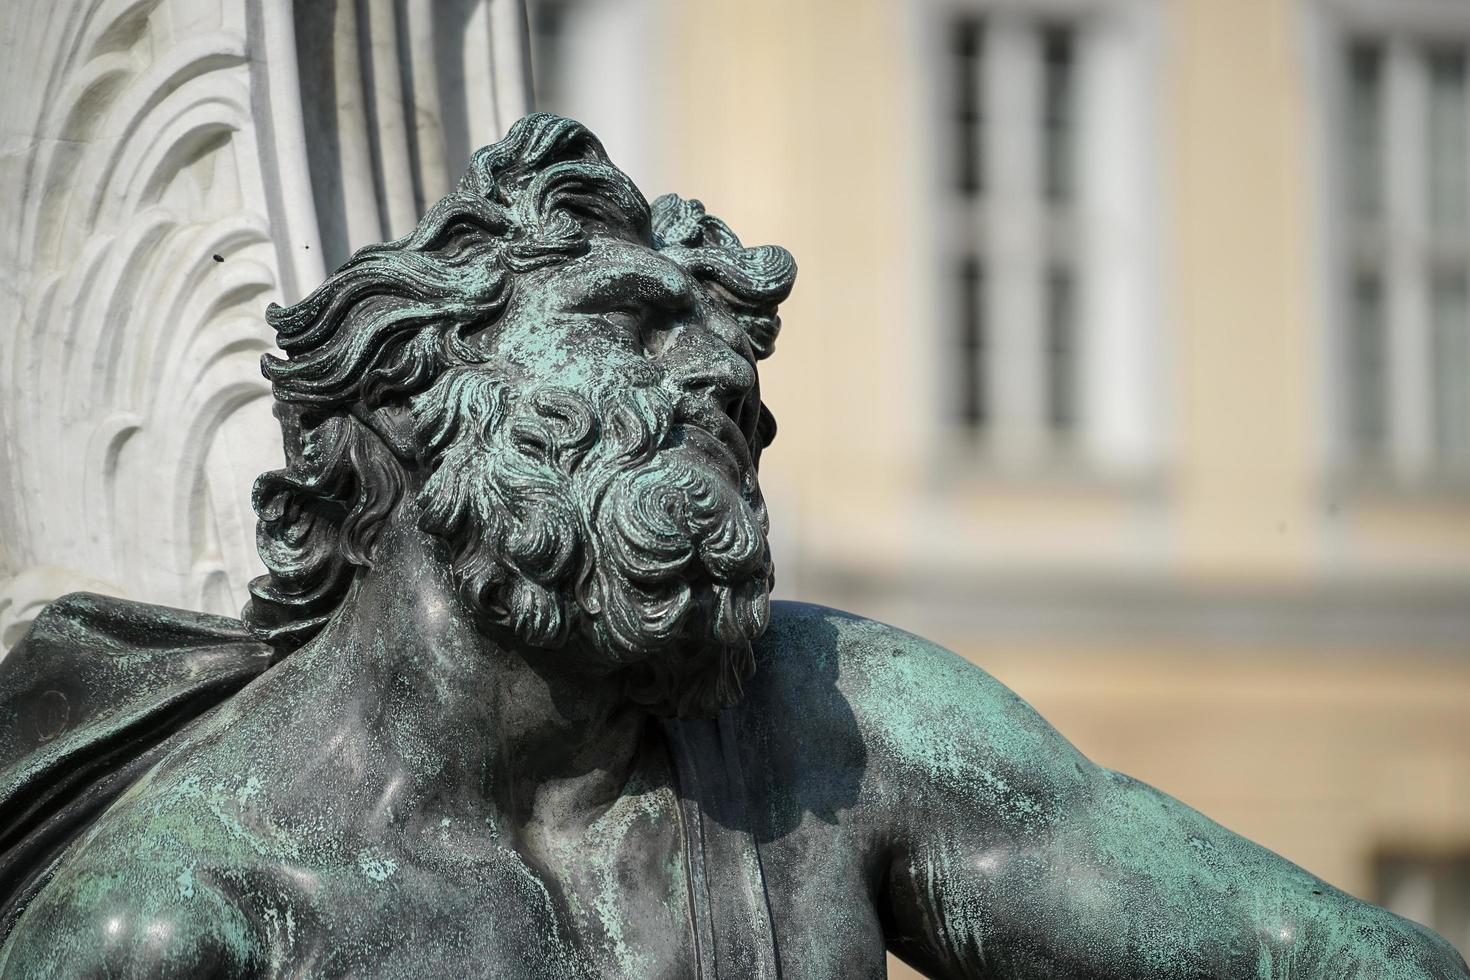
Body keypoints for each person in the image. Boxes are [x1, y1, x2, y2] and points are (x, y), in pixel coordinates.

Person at [1, 113, 1465, 979]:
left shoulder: (841, 724)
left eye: (727, 353)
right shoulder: (183, 916)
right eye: (632, 325)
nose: (713, 379)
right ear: (411, 402)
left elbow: (1301, 955)